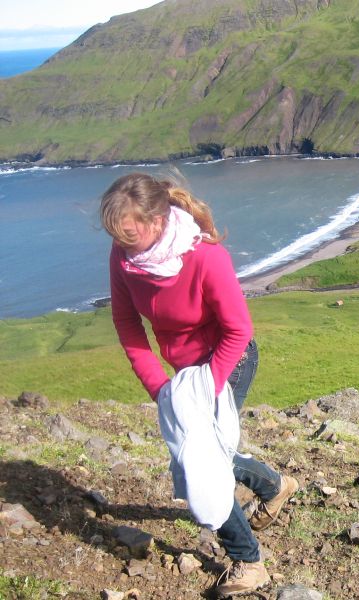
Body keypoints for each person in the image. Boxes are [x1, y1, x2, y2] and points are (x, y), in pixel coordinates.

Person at [100, 172, 298, 597]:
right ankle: (273, 485)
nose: (122, 246)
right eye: (117, 237)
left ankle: (248, 562)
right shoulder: (125, 256)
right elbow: (126, 322)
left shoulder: (205, 257)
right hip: (184, 374)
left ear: (157, 221)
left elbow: (238, 329)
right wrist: (160, 388)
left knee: (201, 464)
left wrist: (206, 386)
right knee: (208, 454)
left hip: (229, 360)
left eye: (130, 235)